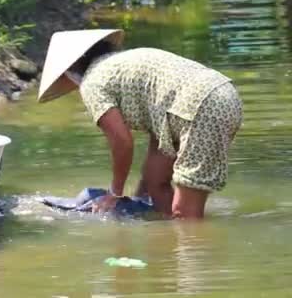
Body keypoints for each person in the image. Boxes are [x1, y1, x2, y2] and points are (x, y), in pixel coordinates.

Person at [37, 29, 243, 219]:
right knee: (155, 182)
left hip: (200, 108)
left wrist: (114, 193)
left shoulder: (92, 82)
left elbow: (122, 141)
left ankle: (191, 252)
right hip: (219, 95)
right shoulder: (122, 64)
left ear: (71, 69)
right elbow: (161, 117)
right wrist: (139, 199)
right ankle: (168, 230)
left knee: (184, 214)